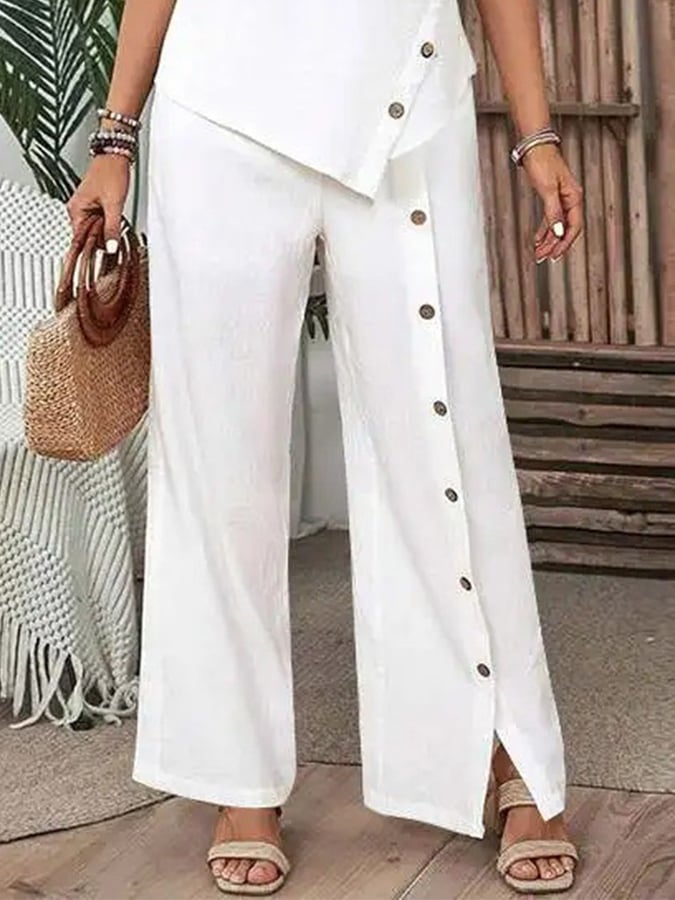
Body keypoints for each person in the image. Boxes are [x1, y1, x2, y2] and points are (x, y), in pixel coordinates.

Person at [67, 0, 584, 894]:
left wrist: (535, 133)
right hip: (218, 105)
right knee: (219, 454)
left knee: (447, 432)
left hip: (406, 90)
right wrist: (116, 136)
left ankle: (508, 748)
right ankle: (238, 776)